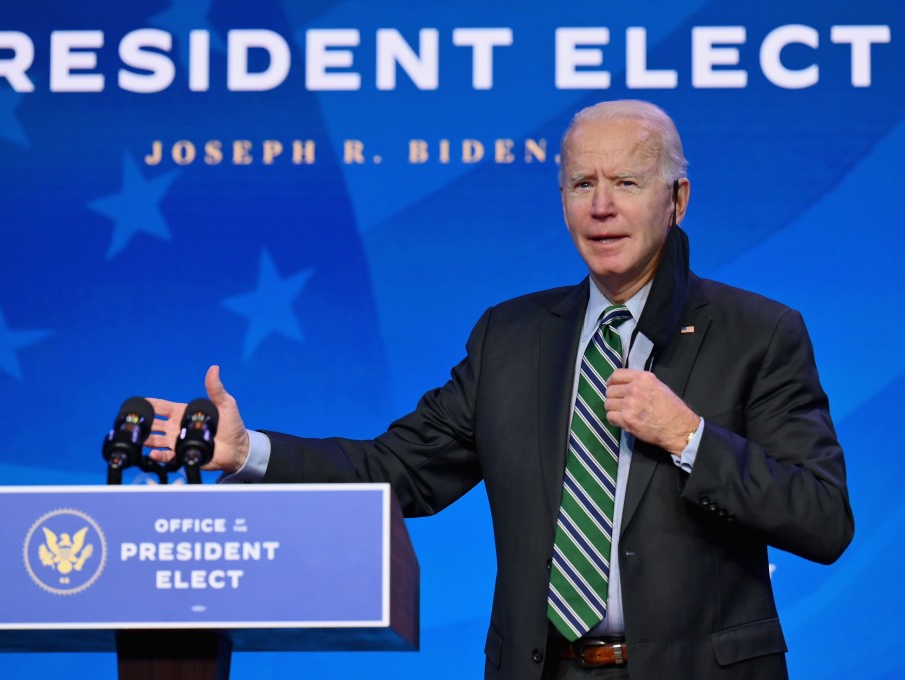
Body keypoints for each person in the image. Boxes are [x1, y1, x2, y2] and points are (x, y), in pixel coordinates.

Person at [146, 100, 853, 679]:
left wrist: (689, 439)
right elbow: (397, 471)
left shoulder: (759, 333)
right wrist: (248, 453)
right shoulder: (511, 337)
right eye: (582, 185)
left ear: (678, 199)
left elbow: (823, 518)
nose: (601, 207)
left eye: (627, 183)